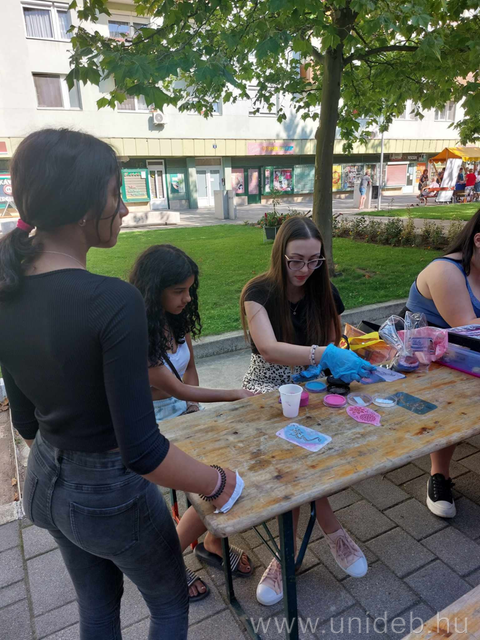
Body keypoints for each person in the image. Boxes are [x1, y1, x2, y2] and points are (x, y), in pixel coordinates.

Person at [0, 129, 242, 640]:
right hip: (108, 495)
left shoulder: (9, 286)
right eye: (116, 194)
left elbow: (24, 420)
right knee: (170, 604)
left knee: (98, 605)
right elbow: (142, 450)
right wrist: (220, 481)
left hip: (43, 481)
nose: (126, 209)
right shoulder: (112, 301)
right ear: (83, 207)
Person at [240, 216, 376, 606]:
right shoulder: (258, 292)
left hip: (311, 383)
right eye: (296, 260)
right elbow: (268, 349)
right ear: (279, 254)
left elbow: (335, 341)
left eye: (314, 261)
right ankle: (331, 533)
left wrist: (343, 360)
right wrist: (325, 354)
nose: (304, 269)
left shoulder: (325, 291)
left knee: (312, 455)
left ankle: (287, 556)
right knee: (297, 460)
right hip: (266, 386)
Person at [129, 244, 254, 601]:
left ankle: (212, 542)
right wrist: (233, 394)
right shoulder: (137, 332)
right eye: (178, 291)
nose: (187, 298)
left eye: (189, 289)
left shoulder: (176, 319)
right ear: (154, 291)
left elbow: (190, 372)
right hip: (150, 425)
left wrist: (194, 409)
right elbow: (175, 386)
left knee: (230, 472)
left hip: (185, 413)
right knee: (214, 483)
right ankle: (165, 563)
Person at [405, 207, 480, 519]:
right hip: (422, 361)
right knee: (456, 397)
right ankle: (439, 475)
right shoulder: (445, 271)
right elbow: (468, 328)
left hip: (464, 357)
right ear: (479, 240)